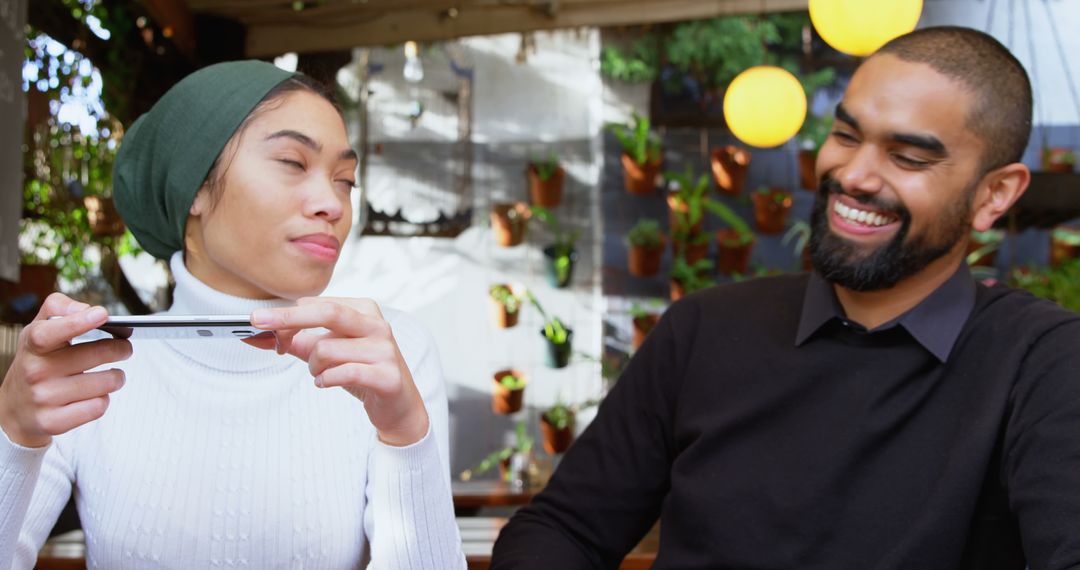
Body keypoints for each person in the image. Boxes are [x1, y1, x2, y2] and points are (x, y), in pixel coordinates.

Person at [492, 26, 1080, 569]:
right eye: (846, 135)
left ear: (994, 194)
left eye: (908, 157)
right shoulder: (704, 329)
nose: (855, 174)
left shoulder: (1042, 362)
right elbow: (564, 529)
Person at [0, 61, 466, 568]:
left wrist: (405, 434)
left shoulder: (385, 354)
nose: (332, 203)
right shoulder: (90, 363)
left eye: (345, 180)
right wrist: (14, 435)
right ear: (194, 184)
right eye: (292, 161)